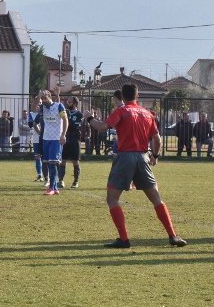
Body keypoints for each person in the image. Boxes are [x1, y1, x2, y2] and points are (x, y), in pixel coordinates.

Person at [88, 83, 187, 248]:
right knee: (156, 198)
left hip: (125, 157)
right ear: (137, 96)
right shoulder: (147, 113)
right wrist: (155, 156)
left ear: (122, 97)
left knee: (112, 199)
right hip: (143, 157)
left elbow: (101, 127)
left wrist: (89, 117)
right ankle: (173, 235)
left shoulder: (122, 111)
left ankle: (124, 239)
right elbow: (157, 140)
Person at [34, 90, 67, 195]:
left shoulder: (59, 106)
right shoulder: (43, 108)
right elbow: (34, 107)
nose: (43, 100)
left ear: (50, 97)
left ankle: (51, 188)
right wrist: (38, 96)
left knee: (53, 163)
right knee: (48, 163)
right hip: (46, 138)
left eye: (44, 98)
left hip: (56, 139)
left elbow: (65, 120)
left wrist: (63, 134)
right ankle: (55, 188)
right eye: (42, 99)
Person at [59, 96, 84, 189]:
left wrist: (67, 119)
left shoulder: (79, 115)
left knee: (75, 162)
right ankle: (60, 181)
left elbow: (75, 126)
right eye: (67, 101)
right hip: (65, 140)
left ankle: (75, 181)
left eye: (69, 102)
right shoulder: (64, 112)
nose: (67, 103)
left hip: (74, 140)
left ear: (74, 104)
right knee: (62, 161)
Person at [29, 97, 45, 181]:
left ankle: (47, 176)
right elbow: (31, 125)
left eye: (41, 103)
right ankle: (39, 175)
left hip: (46, 138)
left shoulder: (46, 112)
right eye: (37, 103)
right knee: (37, 157)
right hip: (36, 138)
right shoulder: (32, 114)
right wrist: (39, 132)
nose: (39, 104)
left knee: (45, 157)